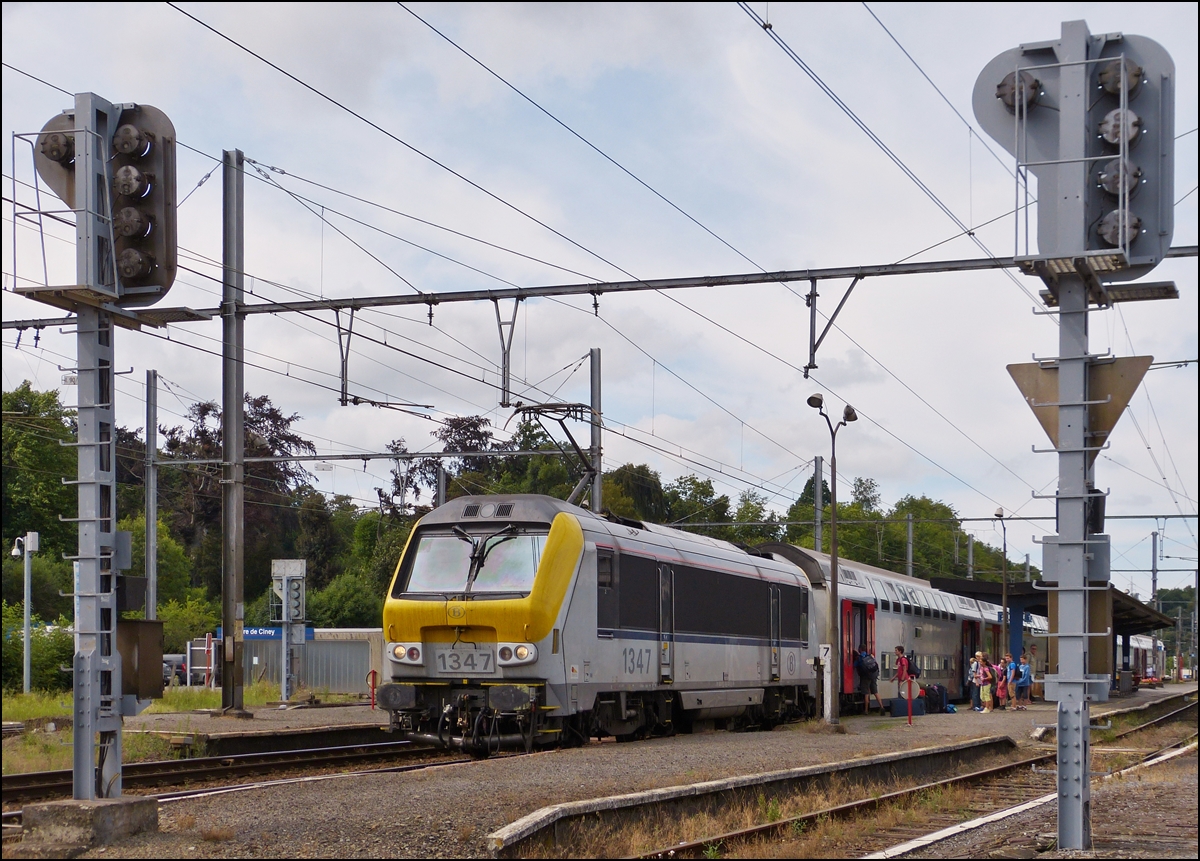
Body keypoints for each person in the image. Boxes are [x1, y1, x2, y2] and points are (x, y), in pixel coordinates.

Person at [854, 644, 886, 713]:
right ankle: (882, 707)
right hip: (873, 676)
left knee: (866, 693)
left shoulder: (860, 658)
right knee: (876, 692)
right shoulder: (870, 656)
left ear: (860, 649)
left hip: (865, 677)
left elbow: (855, 665)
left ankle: (866, 710)